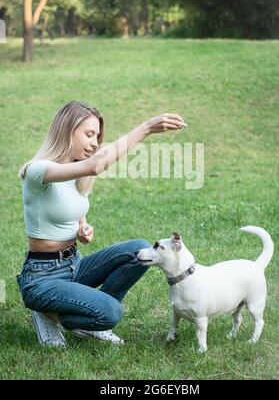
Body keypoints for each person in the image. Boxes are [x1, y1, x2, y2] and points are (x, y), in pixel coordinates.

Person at [17, 101, 187, 347]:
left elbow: (75, 216)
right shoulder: (38, 170)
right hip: (43, 277)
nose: (95, 143)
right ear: (67, 130)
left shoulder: (77, 178)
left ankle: (87, 317)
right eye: (89, 134)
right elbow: (95, 165)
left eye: (97, 136)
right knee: (111, 313)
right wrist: (147, 128)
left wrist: (82, 230)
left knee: (138, 250)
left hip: (73, 266)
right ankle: (48, 314)